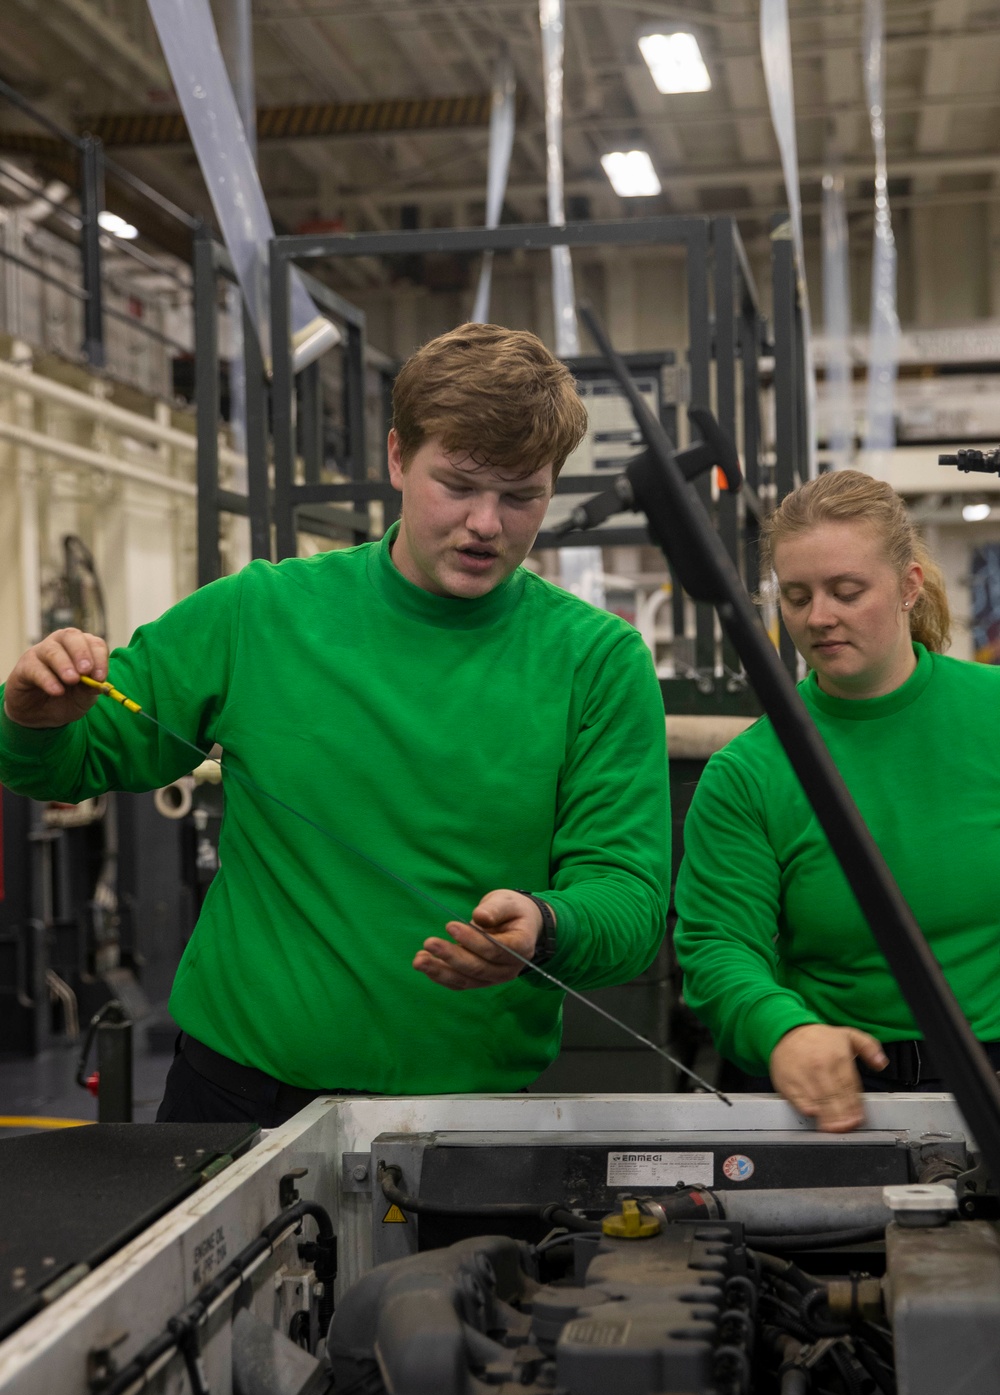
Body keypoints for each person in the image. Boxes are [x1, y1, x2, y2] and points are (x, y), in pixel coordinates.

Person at [0, 323, 670, 1126]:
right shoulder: (261, 613)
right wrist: (30, 712)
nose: (487, 523)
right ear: (396, 457)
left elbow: (630, 902)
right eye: (457, 485)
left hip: (472, 1118)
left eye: (521, 495)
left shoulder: (596, 660)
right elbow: (68, 764)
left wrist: (549, 926)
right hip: (236, 1097)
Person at [674, 468, 1000, 1132]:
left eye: (847, 592)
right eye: (796, 596)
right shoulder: (750, 771)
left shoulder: (990, 717)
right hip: (840, 1097)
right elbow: (717, 946)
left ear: (909, 587)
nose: (819, 617)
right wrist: (782, 1030)